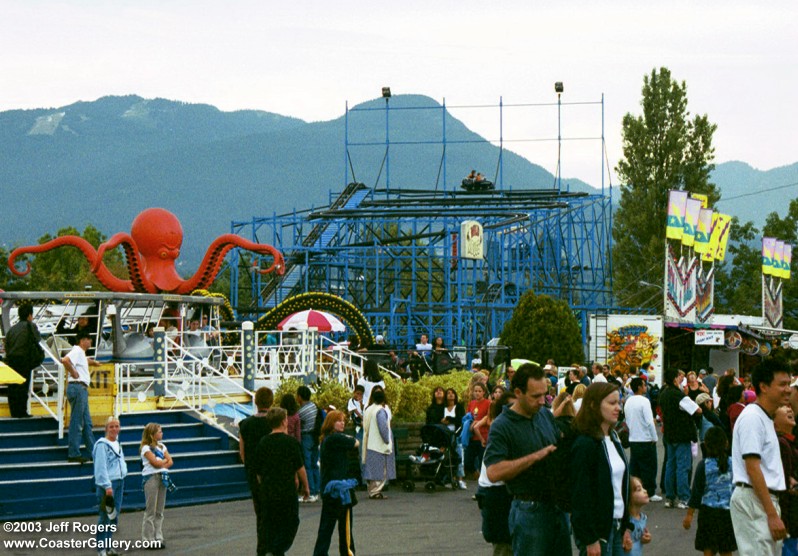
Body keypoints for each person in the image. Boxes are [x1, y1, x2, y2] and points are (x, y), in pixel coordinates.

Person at [484, 363, 569, 556]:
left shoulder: (545, 416)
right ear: (518, 392)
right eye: (535, 396)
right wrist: (536, 456)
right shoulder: (502, 426)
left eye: (545, 394)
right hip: (529, 510)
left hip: (556, 507)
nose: (542, 401)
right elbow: (494, 472)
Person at [730, 358, 790, 555]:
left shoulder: (763, 416)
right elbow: (752, 468)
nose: (788, 389)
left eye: (789, 384)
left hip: (761, 499)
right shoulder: (752, 418)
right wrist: (771, 515)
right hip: (754, 500)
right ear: (763, 386)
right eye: (782, 384)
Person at [571, 382, 633, 556]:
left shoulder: (613, 438)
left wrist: (626, 525)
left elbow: (621, 487)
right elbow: (580, 494)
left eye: (619, 403)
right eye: (612, 403)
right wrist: (589, 538)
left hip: (618, 525)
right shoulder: (586, 443)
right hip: (599, 531)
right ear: (593, 405)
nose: (618, 408)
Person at [254, 408, 309, 556]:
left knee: (272, 522)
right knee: (291, 521)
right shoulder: (291, 443)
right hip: (286, 489)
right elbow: (300, 467)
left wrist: (263, 484)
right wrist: (306, 486)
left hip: (268, 488)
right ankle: (278, 548)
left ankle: (272, 548)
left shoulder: (263, 442)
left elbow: (258, 471)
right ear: (284, 421)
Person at [683, 426, 736, 556]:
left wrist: (689, 515)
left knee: (708, 549)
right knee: (726, 549)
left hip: (708, 514)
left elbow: (696, 492)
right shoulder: (733, 463)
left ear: (706, 445)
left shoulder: (703, 465)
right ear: (726, 443)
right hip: (728, 514)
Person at [312, 410, 359, 556]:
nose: (343, 423)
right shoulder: (336, 438)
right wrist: (347, 436)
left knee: (326, 528)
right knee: (345, 529)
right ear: (331, 423)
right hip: (340, 489)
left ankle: (319, 553)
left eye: (343, 420)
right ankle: (348, 553)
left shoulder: (326, 440)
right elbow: (356, 443)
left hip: (328, 488)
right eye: (339, 420)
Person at [477, 391, 516, 556]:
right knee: (503, 545)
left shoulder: (505, 428)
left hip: (496, 493)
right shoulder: (502, 430)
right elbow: (496, 471)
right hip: (497, 494)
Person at [660, 366, 701, 509]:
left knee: (670, 465)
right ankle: (684, 497)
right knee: (683, 467)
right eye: (679, 376)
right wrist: (687, 396)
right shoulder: (679, 396)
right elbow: (697, 410)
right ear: (674, 379)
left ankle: (670, 497)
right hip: (682, 434)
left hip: (669, 433)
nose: (681, 379)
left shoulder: (663, 394)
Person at [63, 331, 101, 463]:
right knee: (77, 422)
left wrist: (93, 363)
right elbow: (65, 360)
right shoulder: (77, 351)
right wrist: (73, 372)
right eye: (89, 339)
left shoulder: (80, 354)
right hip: (78, 387)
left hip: (80, 389)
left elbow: (83, 361)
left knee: (87, 423)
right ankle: (73, 453)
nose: (90, 342)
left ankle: (92, 452)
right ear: (83, 340)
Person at [93, 416, 128, 556]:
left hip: (119, 481)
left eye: (117, 426)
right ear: (106, 428)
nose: (114, 429)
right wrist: (107, 486)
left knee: (114, 516)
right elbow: (100, 468)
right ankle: (101, 549)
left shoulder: (117, 443)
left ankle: (108, 546)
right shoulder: (102, 445)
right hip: (109, 484)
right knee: (104, 517)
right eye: (111, 426)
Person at [3, 303, 43, 418]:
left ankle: (14, 412)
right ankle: (22, 412)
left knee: (13, 388)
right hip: (24, 360)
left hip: (11, 360)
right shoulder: (30, 326)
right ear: (30, 315)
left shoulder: (12, 329)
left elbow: (8, 345)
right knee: (23, 387)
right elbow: (38, 340)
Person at [625, 377, 662, 502]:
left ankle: (633, 490)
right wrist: (654, 437)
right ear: (640, 387)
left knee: (635, 467)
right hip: (645, 438)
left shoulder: (628, 401)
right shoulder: (644, 401)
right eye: (644, 385)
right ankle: (650, 491)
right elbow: (650, 422)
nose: (646, 387)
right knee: (649, 467)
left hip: (633, 438)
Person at [140, 422, 173, 549]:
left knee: (159, 510)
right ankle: (148, 539)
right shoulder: (146, 448)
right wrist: (164, 462)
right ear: (152, 435)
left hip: (162, 477)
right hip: (151, 478)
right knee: (150, 510)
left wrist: (163, 462)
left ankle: (158, 537)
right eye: (159, 431)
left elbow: (171, 461)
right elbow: (155, 463)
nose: (162, 433)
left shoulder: (162, 446)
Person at [361, 388, 395, 499]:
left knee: (372, 468)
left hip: (369, 442)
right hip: (379, 444)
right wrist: (387, 440)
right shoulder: (381, 411)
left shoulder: (369, 409)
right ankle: (375, 492)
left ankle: (371, 491)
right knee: (381, 469)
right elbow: (383, 428)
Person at [775, 405, 798, 556]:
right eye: (783, 408)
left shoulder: (790, 441)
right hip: (790, 512)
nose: (789, 410)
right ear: (774, 423)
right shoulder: (782, 444)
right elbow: (784, 481)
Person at [297, 385, 321, 502]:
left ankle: (310, 491)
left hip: (306, 437)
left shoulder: (301, 412)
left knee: (307, 465)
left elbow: (299, 427)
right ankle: (317, 489)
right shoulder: (314, 407)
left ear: (300, 397)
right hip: (315, 437)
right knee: (314, 464)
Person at [465, 382, 490, 478]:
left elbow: (489, 417)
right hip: (472, 436)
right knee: (467, 460)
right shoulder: (471, 403)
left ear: (484, 392)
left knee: (482, 461)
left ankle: (483, 480)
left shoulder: (488, 403)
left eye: (479, 391)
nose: (477, 393)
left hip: (483, 436)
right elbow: (468, 417)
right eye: (475, 391)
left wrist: (478, 422)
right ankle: (475, 473)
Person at [442, 387, 466, 489]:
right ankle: (450, 478)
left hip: (456, 434)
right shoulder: (443, 408)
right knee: (447, 458)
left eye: (452, 393)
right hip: (446, 435)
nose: (451, 395)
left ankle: (460, 479)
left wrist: (449, 419)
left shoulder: (459, 407)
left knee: (459, 456)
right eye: (448, 393)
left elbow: (460, 420)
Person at [627, 476, 652, 555]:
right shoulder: (625, 521)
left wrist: (645, 538)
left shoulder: (643, 517)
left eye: (643, 488)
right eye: (639, 489)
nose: (645, 491)